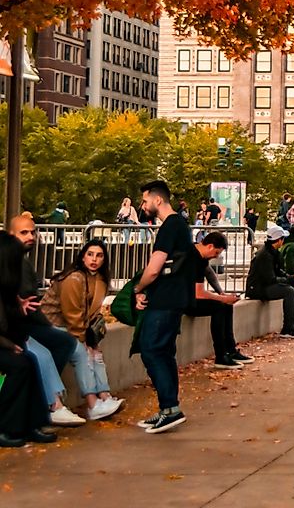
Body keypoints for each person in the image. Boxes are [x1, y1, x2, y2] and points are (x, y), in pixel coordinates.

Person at [131, 180, 197, 433]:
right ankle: (167, 408)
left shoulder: (170, 227)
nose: (142, 205)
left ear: (158, 200)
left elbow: (154, 267)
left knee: (151, 350)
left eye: (145, 200)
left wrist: (138, 288)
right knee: (164, 352)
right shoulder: (180, 225)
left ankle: (170, 408)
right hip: (174, 298)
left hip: (165, 300)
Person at [8, 214, 83, 427]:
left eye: (33, 232)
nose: (30, 236)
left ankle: (47, 400)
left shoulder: (25, 265)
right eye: (23, 233)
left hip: (25, 324)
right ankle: (52, 404)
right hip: (12, 328)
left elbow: (31, 305)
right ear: (10, 235)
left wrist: (48, 326)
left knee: (64, 342)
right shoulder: (7, 262)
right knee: (44, 352)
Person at [40, 239, 125, 421]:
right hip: (52, 324)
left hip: (74, 326)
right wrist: (82, 339)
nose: (94, 259)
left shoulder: (100, 280)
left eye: (99, 255)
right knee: (82, 352)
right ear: (83, 256)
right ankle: (92, 403)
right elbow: (72, 314)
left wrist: (92, 340)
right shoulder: (74, 277)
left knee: (96, 354)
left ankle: (104, 396)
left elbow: (91, 313)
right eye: (90, 254)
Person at [0, 232, 57, 448]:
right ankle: (6, 425)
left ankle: (31, 423)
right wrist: (9, 346)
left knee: (29, 362)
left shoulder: (6, 288)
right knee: (20, 365)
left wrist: (19, 308)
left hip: (5, 341)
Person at [182, 232, 252, 369]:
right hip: (181, 301)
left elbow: (209, 273)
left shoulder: (200, 255)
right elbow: (199, 293)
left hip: (188, 297)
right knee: (219, 307)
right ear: (209, 246)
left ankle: (231, 350)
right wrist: (223, 298)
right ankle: (220, 356)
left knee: (226, 306)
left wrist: (221, 292)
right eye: (216, 253)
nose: (216, 256)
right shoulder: (193, 258)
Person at [245, 225, 294, 339]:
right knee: (289, 291)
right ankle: (288, 328)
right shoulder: (264, 255)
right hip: (257, 289)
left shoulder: (273, 252)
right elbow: (270, 279)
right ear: (279, 240)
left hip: (265, 285)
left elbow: (279, 271)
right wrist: (290, 279)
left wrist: (292, 278)